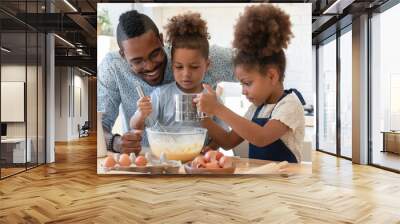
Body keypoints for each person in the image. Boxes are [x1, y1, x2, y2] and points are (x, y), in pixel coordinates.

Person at [97, 10, 234, 154]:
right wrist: (116, 143)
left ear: (161, 40)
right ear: (123, 55)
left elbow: (255, 64)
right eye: (137, 61)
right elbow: (100, 126)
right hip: (148, 159)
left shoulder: (192, 51)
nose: (150, 66)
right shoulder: (113, 67)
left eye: (155, 53)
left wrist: (257, 118)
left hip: (197, 161)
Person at [194, 4, 306, 163]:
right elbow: (227, 142)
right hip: (261, 181)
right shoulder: (256, 109)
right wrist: (204, 118)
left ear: (272, 76)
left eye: (247, 83)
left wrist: (217, 108)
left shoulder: (289, 105)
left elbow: (261, 137)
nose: (243, 91)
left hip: (285, 181)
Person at [130, 12, 226, 150]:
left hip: (197, 163)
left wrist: (211, 148)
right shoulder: (161, 95)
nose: (186, 74)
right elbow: (136, 125)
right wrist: (141, 113)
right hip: (167, 159)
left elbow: (223, 137)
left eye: (194, 67)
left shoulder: (212, 99)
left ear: (207, 65)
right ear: (172, 65)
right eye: (179, 67)